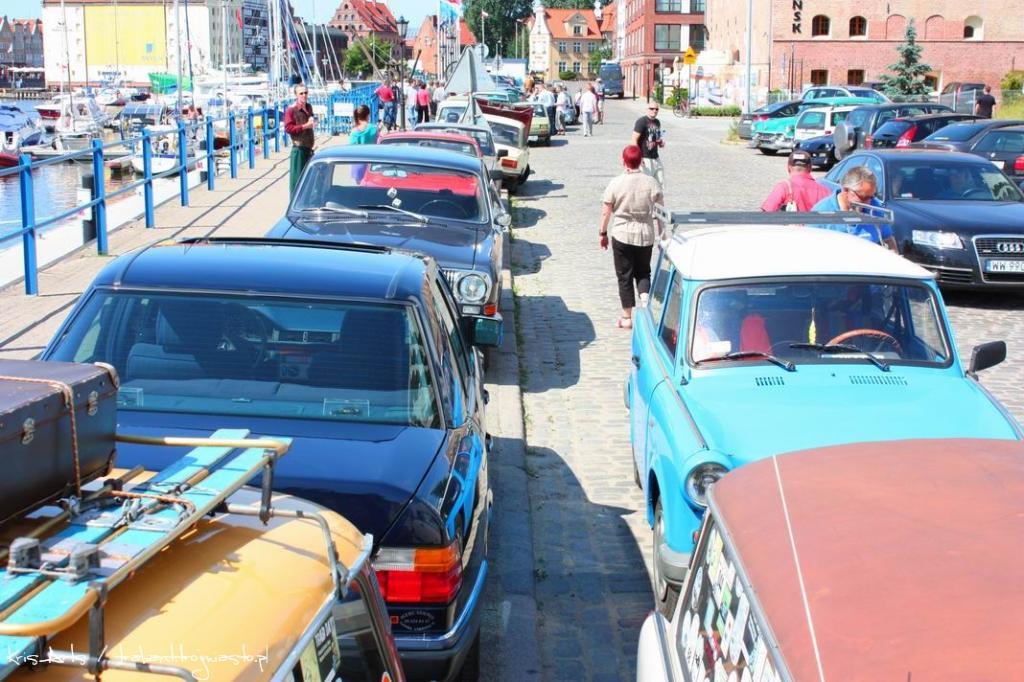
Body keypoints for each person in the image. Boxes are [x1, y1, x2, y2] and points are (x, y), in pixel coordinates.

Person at [599, 144, 664, 330]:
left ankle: (627, 317)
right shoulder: (652, 183)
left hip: (622, 234)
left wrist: (603, 233)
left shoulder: (616, 183)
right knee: (643, 272)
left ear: (624, 162)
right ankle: (645, 305)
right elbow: (660, 212)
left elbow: (606, 211)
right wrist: (662, 235)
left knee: (624, 275)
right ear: (641, 161)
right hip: (645, 233)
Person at [811, 166, 898, 251]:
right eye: (863, 197)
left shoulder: (875, 207)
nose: (868, 203)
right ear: (845, 190)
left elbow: (888, 239)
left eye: (871, 197)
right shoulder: (821, 213)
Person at [761, 150, 831, 211]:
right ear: (810, 167)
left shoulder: (784, 187)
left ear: (788, 167)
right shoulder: (825, 191)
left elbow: (767, 212)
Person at [283, 83, 317, 196]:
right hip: (299, 148)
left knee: (309, 181)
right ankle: (294, 203)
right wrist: (305, 126)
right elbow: (288, 128)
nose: (304, 95)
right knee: (297, 182)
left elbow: (311, 117)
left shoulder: (309, 107)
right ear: (296, 95)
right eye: (301, 93)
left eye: (305, 93)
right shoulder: (291, 110)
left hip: (308, 148)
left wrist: (312, 119)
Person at [632, 103, 665, 187]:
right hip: (645, 157)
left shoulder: (657, 122)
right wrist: (639, 157)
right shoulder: (641, 121)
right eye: (652, 108)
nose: (654, 111)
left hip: (655, 156)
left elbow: (657, 137)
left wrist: (660, 142)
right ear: (647, 109)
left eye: (656, 109)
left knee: (660, 182)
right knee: (646, 184)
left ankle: (657, 196)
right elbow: (634, 139)